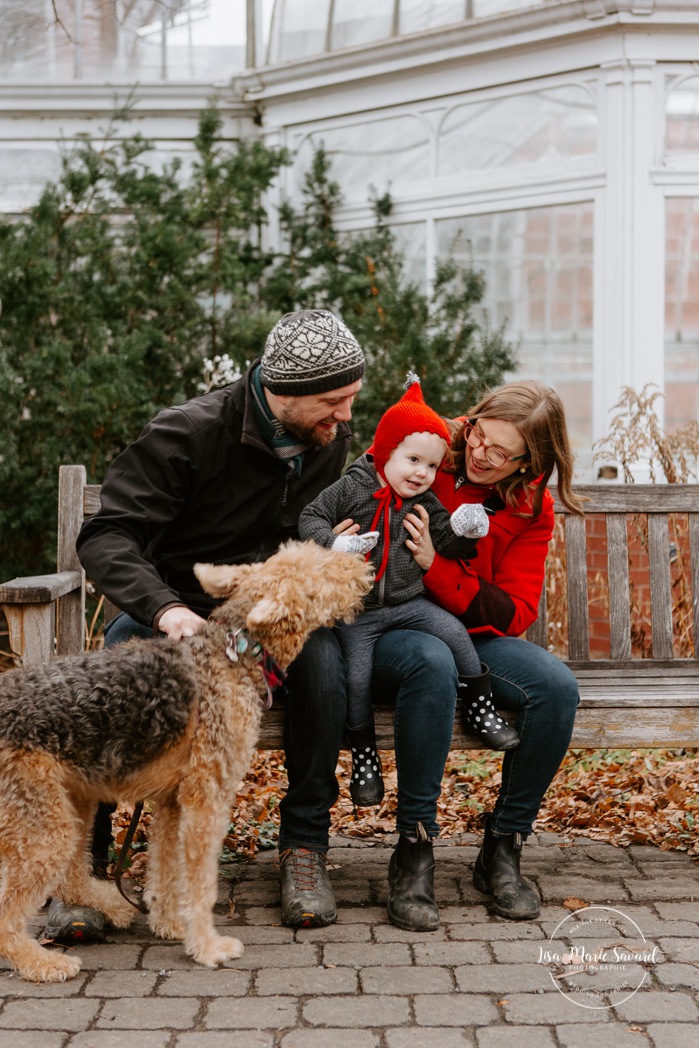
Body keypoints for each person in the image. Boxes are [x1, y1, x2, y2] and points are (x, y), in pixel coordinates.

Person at [299, 375, 517, 809]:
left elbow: (449, 544)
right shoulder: (351, 487)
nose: (422, 473)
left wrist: (463, 530)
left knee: (454, 634)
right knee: (355, 679)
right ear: (385, 452)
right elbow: (310, 518)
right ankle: (364, 754)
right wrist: (335, 544)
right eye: (413, 459)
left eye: (432, 466)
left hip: (408, 603)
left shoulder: (423, 500)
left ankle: (479, 706)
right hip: (356, 615)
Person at [410, 380, 585, 920]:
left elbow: (515, 612)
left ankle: (503, 845)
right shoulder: (428, 448)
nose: (482, 455)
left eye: (502, 454)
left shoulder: (532, 506)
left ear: (529, 463)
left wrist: (437, 569)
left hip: (481, 640)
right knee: (431, 661)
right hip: (405, 631)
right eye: (481, 436)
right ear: (475, 419)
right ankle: (414, 847)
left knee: (555, 687)